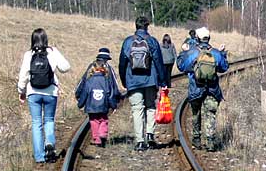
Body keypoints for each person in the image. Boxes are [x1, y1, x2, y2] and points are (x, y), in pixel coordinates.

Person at [17, 28, 71, 163]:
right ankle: (50, 144)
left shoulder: (28, 54)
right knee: (49, 120)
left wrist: (21, 91)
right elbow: (66, 67)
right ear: (46, 39)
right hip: (50, 92)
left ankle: (39, 156)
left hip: (33, 92)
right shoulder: (52, 52)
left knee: (36, 123)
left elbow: (23, 75)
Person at [176, 26, 228, 151]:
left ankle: (196, 140)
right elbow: (224, 67)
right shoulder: (215, 52)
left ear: (197, 38)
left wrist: (183, 52)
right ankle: (210, 142)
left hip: (196, 88)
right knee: (210, 114)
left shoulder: (192, 52)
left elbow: (181, 66)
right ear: (208, 38)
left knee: (195, 113)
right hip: (212, 89)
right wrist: (222, 54)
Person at [119, 16, 167, 151]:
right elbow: (158, 62)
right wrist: (162, 81)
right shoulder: (152, 41)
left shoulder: (128, 42)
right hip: (150, 80)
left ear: (135, 26)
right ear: (147, 26)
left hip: (133, 80)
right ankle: (150, 134)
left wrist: (124, 80)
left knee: (137, 109)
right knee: (150, 106)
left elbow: (122, 63)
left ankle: (140, 141)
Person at [75, 49, 121, 147]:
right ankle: (102, 134)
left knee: (93, 119)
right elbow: (114, 87)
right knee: (103, 118)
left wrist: (79, 98)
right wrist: (114, 102)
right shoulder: (109, 69)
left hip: (91, 102)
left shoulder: (91, 67)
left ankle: (96, 137)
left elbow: (83, 82)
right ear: (107, 59)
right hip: (104, 102)